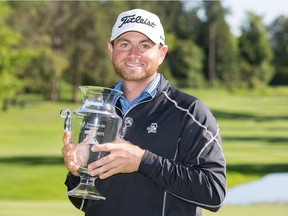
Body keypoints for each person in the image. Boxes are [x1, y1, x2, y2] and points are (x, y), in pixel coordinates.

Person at [62, 8, 226, 216]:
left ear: (161, 53)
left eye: (145, 45)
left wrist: (142, 161)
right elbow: (87, 203)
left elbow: (213, 193)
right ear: (110, 49)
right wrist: (78, 173)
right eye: (124, 44)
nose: (133, 54)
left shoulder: (190, 112)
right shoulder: (98, 110)